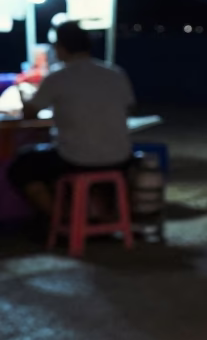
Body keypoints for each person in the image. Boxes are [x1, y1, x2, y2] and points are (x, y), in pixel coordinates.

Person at [8, 21, 136, 216]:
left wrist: (24, 95)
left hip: (76, 160)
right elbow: (129, 107)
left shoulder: (57, 77)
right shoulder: (115, 73)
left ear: (60, 47)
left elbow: (29, 113)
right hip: (121, 159)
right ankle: (91, 216)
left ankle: (57, 218)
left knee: (21, 166)